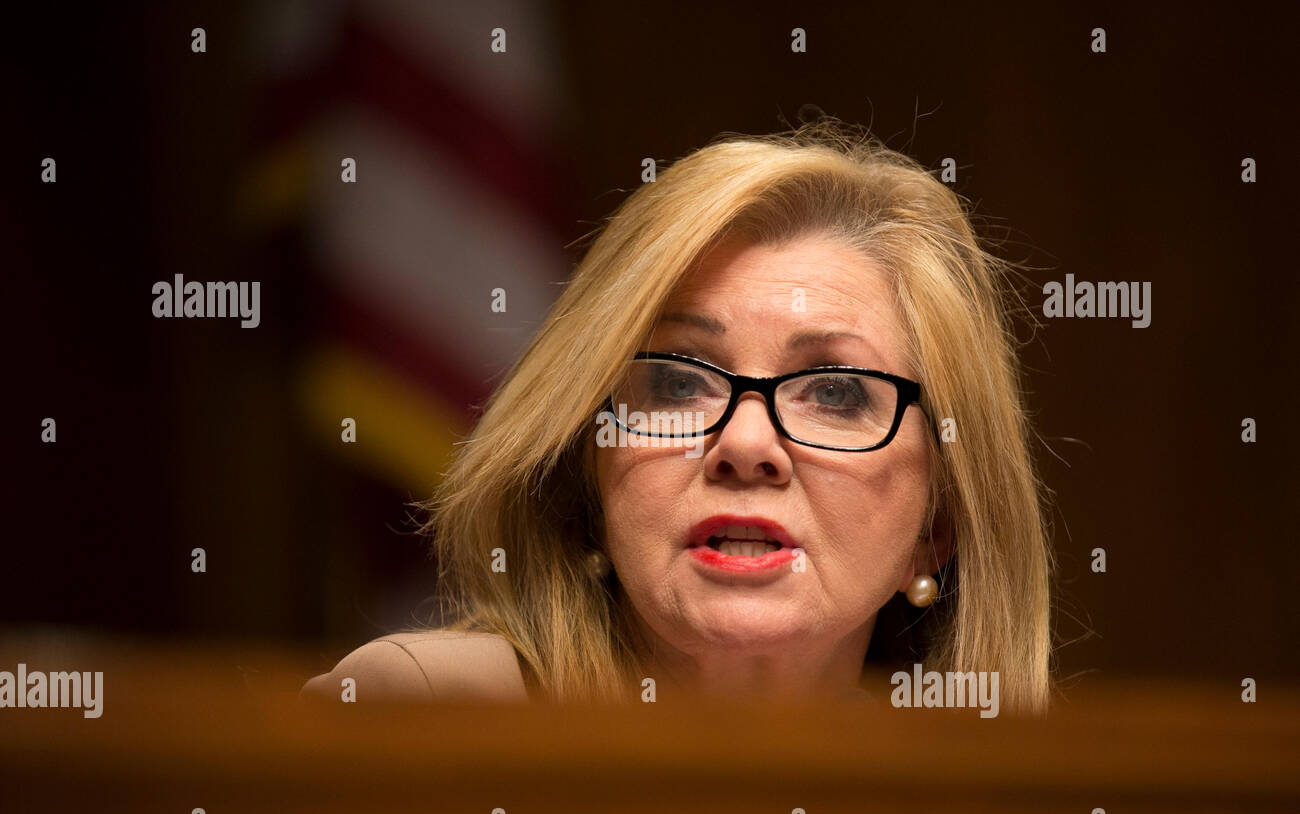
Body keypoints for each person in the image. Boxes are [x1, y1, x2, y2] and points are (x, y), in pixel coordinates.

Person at [301, 116, 1054, 712]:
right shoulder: (427, 712)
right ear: (586, 475)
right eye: (676, 383)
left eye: (835, 392)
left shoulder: (974, 800)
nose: (747, 443)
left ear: (937, 528)